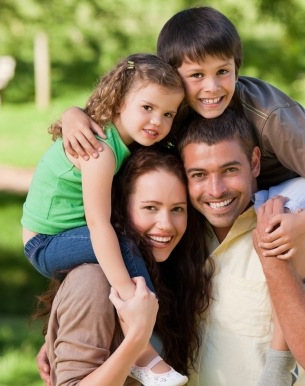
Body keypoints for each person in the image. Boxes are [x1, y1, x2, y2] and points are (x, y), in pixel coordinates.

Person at [58, 6, 305, 384]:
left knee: (274, 223)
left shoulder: (268, 113)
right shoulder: (172, 132)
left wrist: (296, 231)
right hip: (262, 191)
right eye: (196, 76)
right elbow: (120, 128)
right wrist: (72, 115)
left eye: (222, 73)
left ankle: (278, 365)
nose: (211, 87)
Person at [21, 53, 189, 386]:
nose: (157, 121)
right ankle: (143, 347)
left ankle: (140, 336)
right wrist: (134, 300)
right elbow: (99, 226)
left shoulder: (123, 144)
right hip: (46, 242)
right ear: (118, 102)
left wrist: (72, 113)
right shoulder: (100, 152)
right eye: (147, 108)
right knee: (124, 245)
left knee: (124, 245)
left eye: (168, 113)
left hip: (67, 235)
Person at [176, 108, 305, 386]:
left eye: (229, 170)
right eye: (199, 175)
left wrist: (275, 262)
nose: (215, 190)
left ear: (254, 163)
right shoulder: (174, 238)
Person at [34, 146, 213, 386]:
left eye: (177, 209)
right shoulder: (93, 281)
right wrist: (136, 339)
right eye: (150, 207)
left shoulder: (170, 273)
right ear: (120, 208)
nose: (166, 224)